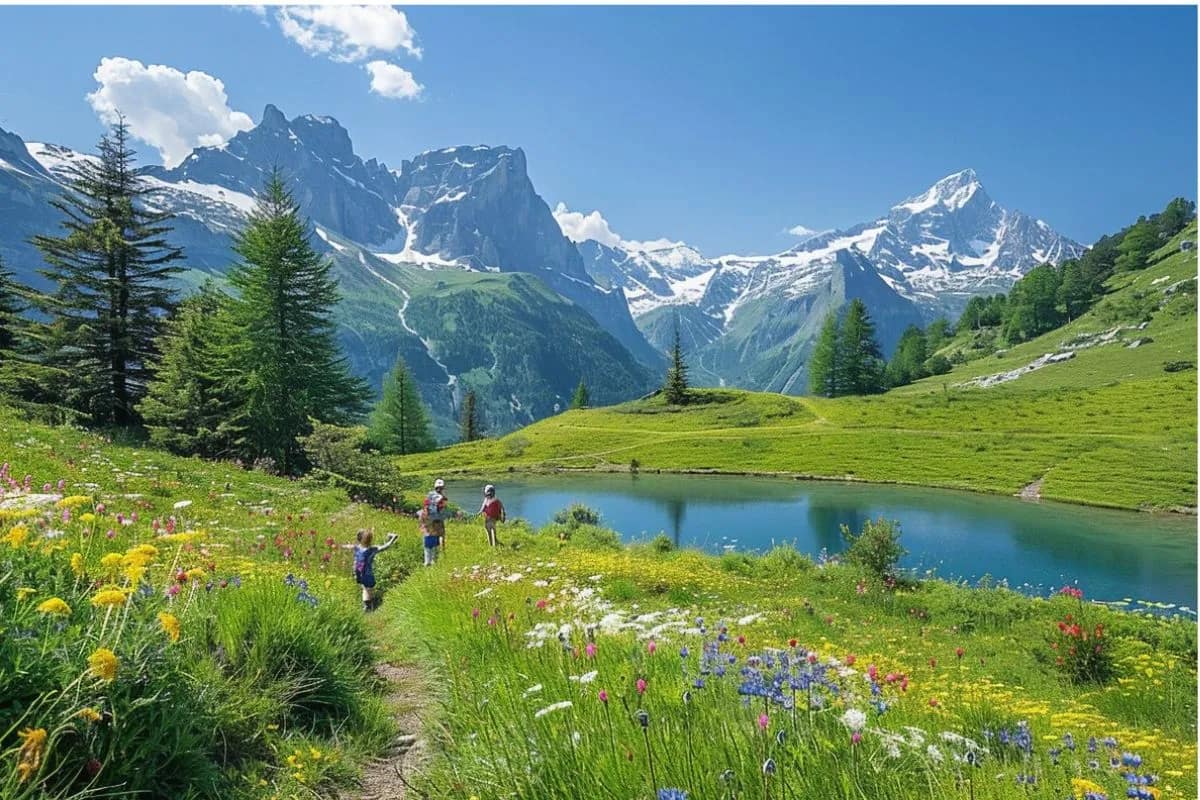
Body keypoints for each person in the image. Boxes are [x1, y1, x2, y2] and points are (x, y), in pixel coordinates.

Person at [353, 529, 397, 612]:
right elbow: (385, 547)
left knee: (366, 588)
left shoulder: (357, 548)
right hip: (368, 573)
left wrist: (355, 572)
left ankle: (370, 603)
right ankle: (368, 606)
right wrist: (393, 538)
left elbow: (356, 561)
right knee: (368, 589)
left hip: (358, 571)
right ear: (370, 540)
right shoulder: (373, 549)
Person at [424, 478, 449, 553]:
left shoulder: (429, 495)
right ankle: (442, 552)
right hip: (439, 519)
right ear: (442, 487)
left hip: (430, 519)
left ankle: (433, 552)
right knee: (441, 535)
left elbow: (425, 506)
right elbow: (444, 507)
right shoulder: (443, 497)